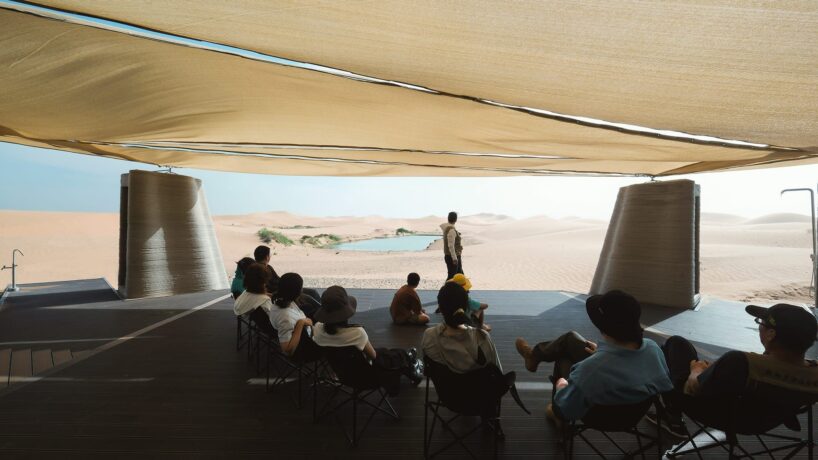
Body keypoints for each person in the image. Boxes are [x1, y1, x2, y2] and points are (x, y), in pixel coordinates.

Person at [651, 303, 818, 437]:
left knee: (676, 344)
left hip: (719, 413)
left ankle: (672, 417)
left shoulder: (742, 363)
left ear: (771, 335)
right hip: (770, 420)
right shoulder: (813, 373)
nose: (759, 327)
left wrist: (697, 370)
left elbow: (692, 388)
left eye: (761, 323)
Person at [515, 290, 673, 424]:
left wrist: (561, 384)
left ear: (603, 327)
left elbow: (569, 409)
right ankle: (533, 356)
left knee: (563, 359)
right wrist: (603, 353)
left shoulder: (591, 370)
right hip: (635, 413)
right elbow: (661, 381)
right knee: (571, 339)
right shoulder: (653, 349)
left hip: (600, 417)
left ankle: (557, 416)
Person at [312, 285, 424, 394]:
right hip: (368, 378)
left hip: (343, 375)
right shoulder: (356, 333)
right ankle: (411, 364)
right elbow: (373, 356)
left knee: (389, 352)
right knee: (396, 355)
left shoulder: (317, 329)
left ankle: (410, 361)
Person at [422, 282, 501, 374]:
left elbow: (428, 369)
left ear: (440, 308)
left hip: (444, 387)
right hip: (477, 387)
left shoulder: (429, 336)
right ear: (465, 307)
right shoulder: (483, 338)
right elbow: (495, 370)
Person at [253, 244, 320, 318]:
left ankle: (322, 312)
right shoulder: (260, 270)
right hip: (284, 293)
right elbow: (265, 288)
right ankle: (322, 313)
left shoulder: (264, 267)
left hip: (285, 288)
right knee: (310, 296)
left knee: (312, 292)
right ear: (267, 257)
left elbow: (278, 280)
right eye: (270, 254)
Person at [268, 272, 321, 360]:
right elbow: (287, 351)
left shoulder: (278, 302)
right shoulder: (286, 318)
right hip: (306, 346)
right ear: (297, 292)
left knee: (315, 308)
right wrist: (301, 323)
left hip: (305, 326)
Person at [440, 211, 463, 280]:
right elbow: (451, 246)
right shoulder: (451, 230)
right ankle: (444, 291)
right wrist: (455, 258)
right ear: (456, 219)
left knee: (460, 275)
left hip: (452, 256)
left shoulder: (448, 229)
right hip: (452, 257)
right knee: (452, 277)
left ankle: (462, 291)